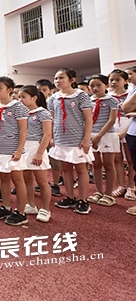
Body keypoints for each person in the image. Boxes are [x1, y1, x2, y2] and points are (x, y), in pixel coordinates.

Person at [48, 68, 94, 215]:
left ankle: (83, 200)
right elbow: (52, 119)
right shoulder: (52, 98)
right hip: (61, 139)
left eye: (61, 78)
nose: (57, 81)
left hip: (78, 139)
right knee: (66, 169)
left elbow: (88, 118)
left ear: (72, 80)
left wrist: (86, 139)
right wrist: (51, 136)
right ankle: (70, 197)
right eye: (56, 78)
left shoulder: (81, 96)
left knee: (81, 169)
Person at [0, 77, 29, 225]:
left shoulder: (18, 107)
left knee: (18, 180)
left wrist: (19, 150)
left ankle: (21, 212)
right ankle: (6, 207)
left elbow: (23, 130)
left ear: (9, 90)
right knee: (3, 178)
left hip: (12, 150)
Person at [19, 85, 53, 223]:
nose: (20, 100)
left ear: (34, 98)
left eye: (23, 97)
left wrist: (39, 153)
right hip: (24, 148)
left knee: (42, 181)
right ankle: (31, 205)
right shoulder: (22, 113)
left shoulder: (43, 113)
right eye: (19, 97)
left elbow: (47, 135)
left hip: (37, 148)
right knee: (27, 180)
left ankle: (45, 209)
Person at [86, 75, 119, 206]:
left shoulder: (112, 100)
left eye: (99, 85)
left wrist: (99, 135)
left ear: (106, 85)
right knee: (95, 164)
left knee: (109, 164)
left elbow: (112, 120)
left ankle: (109, 193)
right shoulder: (88, 101)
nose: (95, 88)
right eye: (92, 86)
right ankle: (99, 191)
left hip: (107, 134)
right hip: (91, 135)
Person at [108, 69, 135, 200]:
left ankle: (131, 186)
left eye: (117, 79)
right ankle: (121, 185)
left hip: (128, 127)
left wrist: (125, 132)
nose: (114, 82)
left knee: (130, 160)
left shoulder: (130, 95)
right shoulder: (108, 97)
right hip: (113, 129)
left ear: (125, 81)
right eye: (111, 80)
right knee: (116, 159)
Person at [36, 79, 62, 197]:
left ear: (50, 91)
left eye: (44, 90)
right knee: (37, 161)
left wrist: (53, 137)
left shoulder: (53, 101)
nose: (41, 92)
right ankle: (42, 183)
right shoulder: (33, 103)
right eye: (39, 90)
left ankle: (55, 184)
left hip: (52, 135)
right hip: (37, 138)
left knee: (54, 160)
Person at [122, 67, 136, 215]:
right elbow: (125, 108)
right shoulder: (132, 89)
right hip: (132, 132)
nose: (128, 76)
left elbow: (125, 107)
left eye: (131, 73)